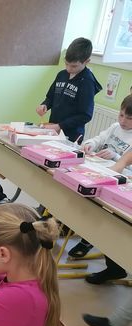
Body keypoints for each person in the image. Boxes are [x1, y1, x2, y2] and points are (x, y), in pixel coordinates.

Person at [66, 96, 132, 284]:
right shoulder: (115, 127)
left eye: (129, 118)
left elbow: (128, 169)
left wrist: (117, 157)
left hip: (119, 185)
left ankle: (114, 267)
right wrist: (90, 144)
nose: (123, 121)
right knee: (83, 204)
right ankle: (84, 236)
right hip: (101, 174)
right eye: (121, 115)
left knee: (110, 224)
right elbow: (99, 138)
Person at [36, 37, 102, 143]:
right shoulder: (61, 75)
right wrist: (45, 105)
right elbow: (50, 97)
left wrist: (60, 126)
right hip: (53, 129)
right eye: (66, 64)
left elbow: (85, 115)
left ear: (87, 62)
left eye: (74, 66)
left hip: (71, 136)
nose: (68, 69)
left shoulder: (87, 82)